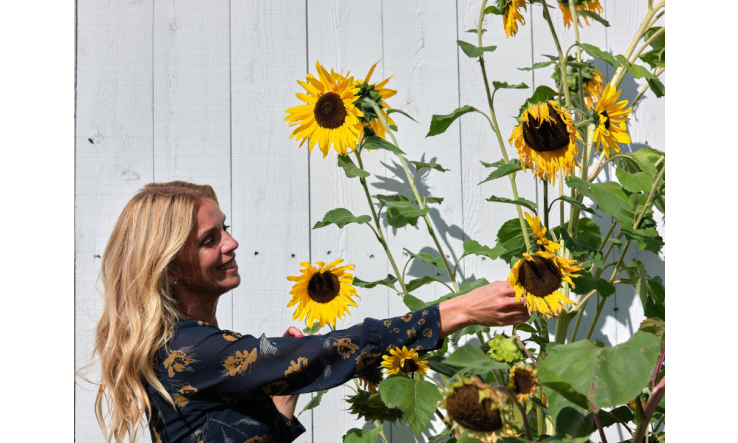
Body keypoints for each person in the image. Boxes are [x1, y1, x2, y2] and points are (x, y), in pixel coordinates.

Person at [92, 181, 530, 443]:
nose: (231, 243)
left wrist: (278, 402)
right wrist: (456, 311)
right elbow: (329, 351)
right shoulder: (189, 350)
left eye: (226, 227)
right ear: (169, 268)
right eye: (210, 239)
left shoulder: (187, 351)